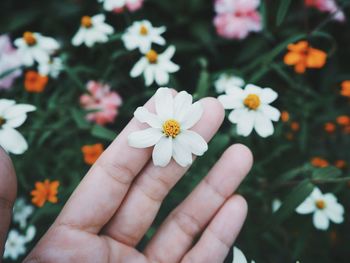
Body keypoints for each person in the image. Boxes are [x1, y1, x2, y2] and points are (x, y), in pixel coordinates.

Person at [0, 91, 253, 262]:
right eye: (170, 125)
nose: (171, 126)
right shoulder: (163, 130)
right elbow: (150, 127)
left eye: (172, 126)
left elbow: (186, 147)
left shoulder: (181, 135)